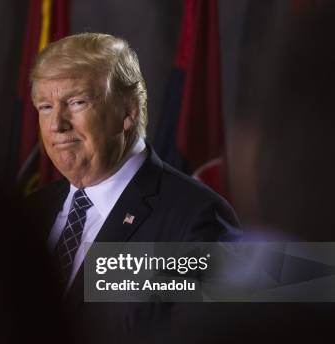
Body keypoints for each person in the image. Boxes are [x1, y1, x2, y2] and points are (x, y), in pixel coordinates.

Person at [25, 33, 240, 298]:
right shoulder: (28, 214)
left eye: (77, 102)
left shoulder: (194, 220)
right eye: (45, 107)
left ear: (129, 111)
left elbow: (207, 337)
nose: (57, 124)